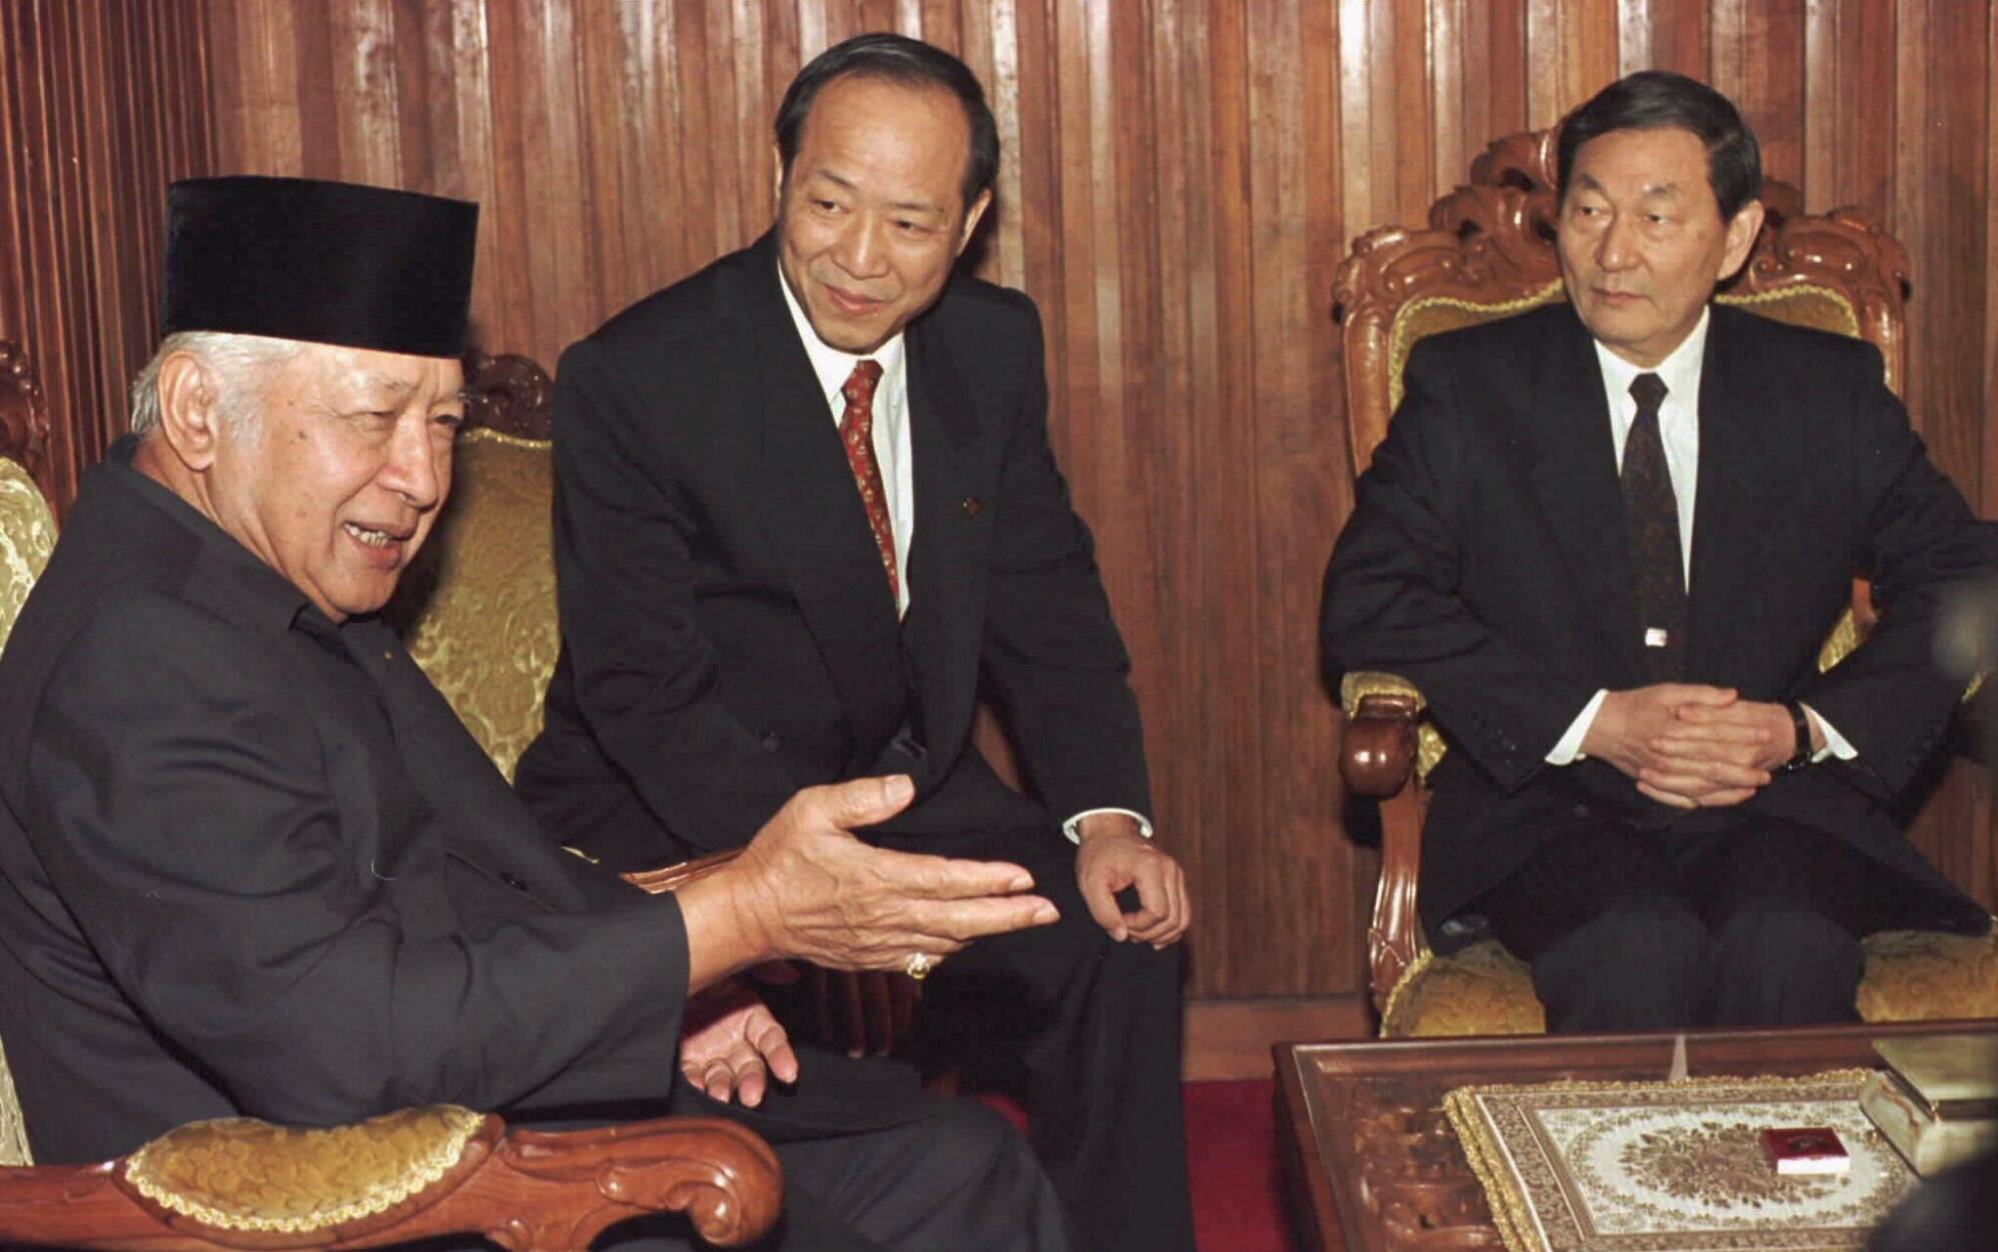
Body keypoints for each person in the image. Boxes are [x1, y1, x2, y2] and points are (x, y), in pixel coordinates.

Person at [0, 175, 1074, 1252]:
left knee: (959, 1165)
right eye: (375, 418)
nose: (421, 477)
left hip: (449, 1112)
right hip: (316, 1202)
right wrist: (739, 915)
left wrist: (676, 946)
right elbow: (345, 1046)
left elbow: (445, 878)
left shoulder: (258, 575)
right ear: (197, 411)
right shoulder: (142, 655)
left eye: (444, 423)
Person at [512, 33, 1193, 1250]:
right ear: (781, 175)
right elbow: (644, 696)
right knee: (864, 1127)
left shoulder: (992, 346)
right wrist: (814, 892)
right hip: (692, 817)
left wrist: (1108, 816)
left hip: (905, 783)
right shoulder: (640, 378)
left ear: (974, 219)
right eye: (827, 204)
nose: (860, 259)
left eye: (912, 223)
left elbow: (1049, 609)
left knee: (1119, 938)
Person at [1319, 70, 1994, 1032]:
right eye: (1588, 212)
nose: (1612, 252)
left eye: (1656, 217)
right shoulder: (1472, 387)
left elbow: (1965, 570)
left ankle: (1791, 1188)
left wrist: (1802, 726)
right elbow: (1369, 598)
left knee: (1787, 940)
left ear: (1739, 236)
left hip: (1774, 800)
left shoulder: (1824, 390)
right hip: (1549, 808)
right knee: (1636, 947)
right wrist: (1592, 720)